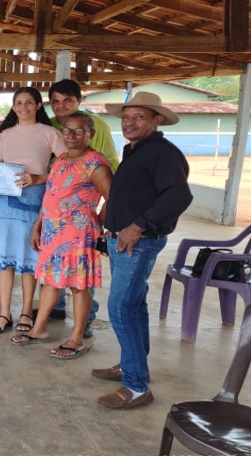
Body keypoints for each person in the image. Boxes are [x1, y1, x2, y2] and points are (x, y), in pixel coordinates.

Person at [93, 92, 192, 409]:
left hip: (139, 242)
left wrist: (139, 225)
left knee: (121, 308)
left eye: (139, 116)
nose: (130, 123)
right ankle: (133, 367)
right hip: (122, 240)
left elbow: (178, 195)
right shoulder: (136, 150)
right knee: (134, 306)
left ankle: (135, 387)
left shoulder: (162, 152)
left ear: (156, 120)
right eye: (125, 117)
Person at [10, 112, 112, 358]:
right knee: (50, 281)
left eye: (78, 130)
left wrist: (100, 224)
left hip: (78, 234)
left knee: (79, 285)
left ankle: (76, 338)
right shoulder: (62, 158)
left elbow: (113, 197)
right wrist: (38, 225)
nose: (71, 135)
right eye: (67, 130)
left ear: (91, 134)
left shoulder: (95, 162)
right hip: (52, 233)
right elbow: (51, 194)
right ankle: (39, 329)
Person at [0, 87, 67, 335]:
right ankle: (4, 312)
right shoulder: (6, 135)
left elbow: (65, 167)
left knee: (28, 261)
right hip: (3, 204)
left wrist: (38, 179)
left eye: (29, 102)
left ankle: (27, 311)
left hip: (33, 204)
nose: (23, 107)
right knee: (4, 262)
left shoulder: (50, 133)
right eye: (18, 102)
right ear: (13, 106)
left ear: (39, 105)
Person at [47, 79, 120, 330]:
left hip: (82, 215)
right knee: (55, 269)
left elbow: (109, 166)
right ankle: (56, 309)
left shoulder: (94, 125)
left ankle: (85, 321)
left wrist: (101, 219)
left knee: (81, 276)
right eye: (55, 101)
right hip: (56, 216)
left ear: (79, 101)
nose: (61, 105)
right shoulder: (52, 124)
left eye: (67, 100)